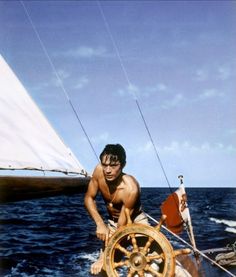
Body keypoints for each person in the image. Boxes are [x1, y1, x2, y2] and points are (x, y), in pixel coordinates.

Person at [84, 144, 148, 275]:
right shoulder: (98, 171)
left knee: (148, 264)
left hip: (135, 221)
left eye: (113, 166)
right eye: (104, 165)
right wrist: (100, 224)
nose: (107, 170)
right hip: (114, 222)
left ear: (123, 165)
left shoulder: (130, 188)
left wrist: (104, 256)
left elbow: (121, 229)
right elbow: (89, 198)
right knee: (101, 271)